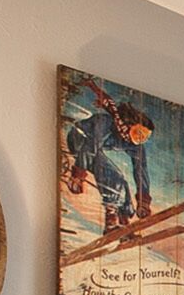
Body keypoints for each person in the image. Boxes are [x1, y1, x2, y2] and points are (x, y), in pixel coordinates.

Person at [65, 77, 155, 230]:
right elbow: (90, 147)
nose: (140, 139)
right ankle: (111, 219)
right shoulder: (105, 123)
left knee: (123, 182)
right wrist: (78, 175)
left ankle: (123, 221)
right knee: (113, 177)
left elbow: (141, 170)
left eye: (145, 137)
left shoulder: (134, 145)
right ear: (128, 125)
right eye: (138, 133)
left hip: (93, 148)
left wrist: (143, 200)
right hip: (80, 139)